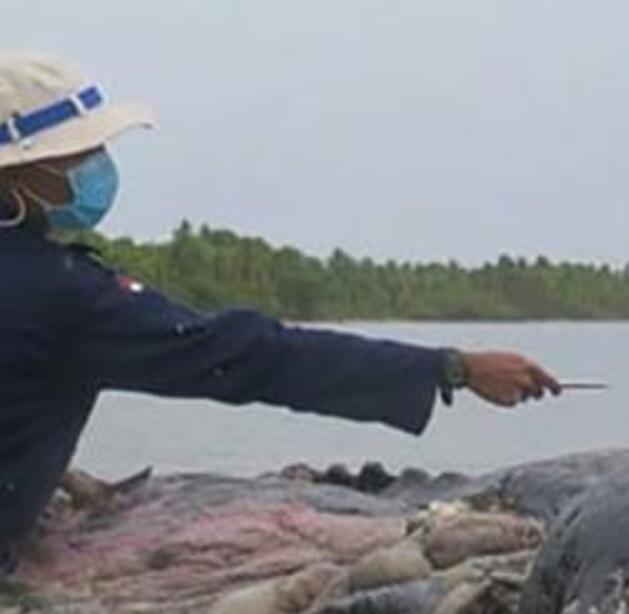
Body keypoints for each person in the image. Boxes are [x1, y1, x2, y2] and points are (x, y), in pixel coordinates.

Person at [0, 52, 562, 574]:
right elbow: (251, 357)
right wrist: (452, 367)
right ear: (21, 170)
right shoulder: (65, 296)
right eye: (78, 154)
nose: (96, 165)